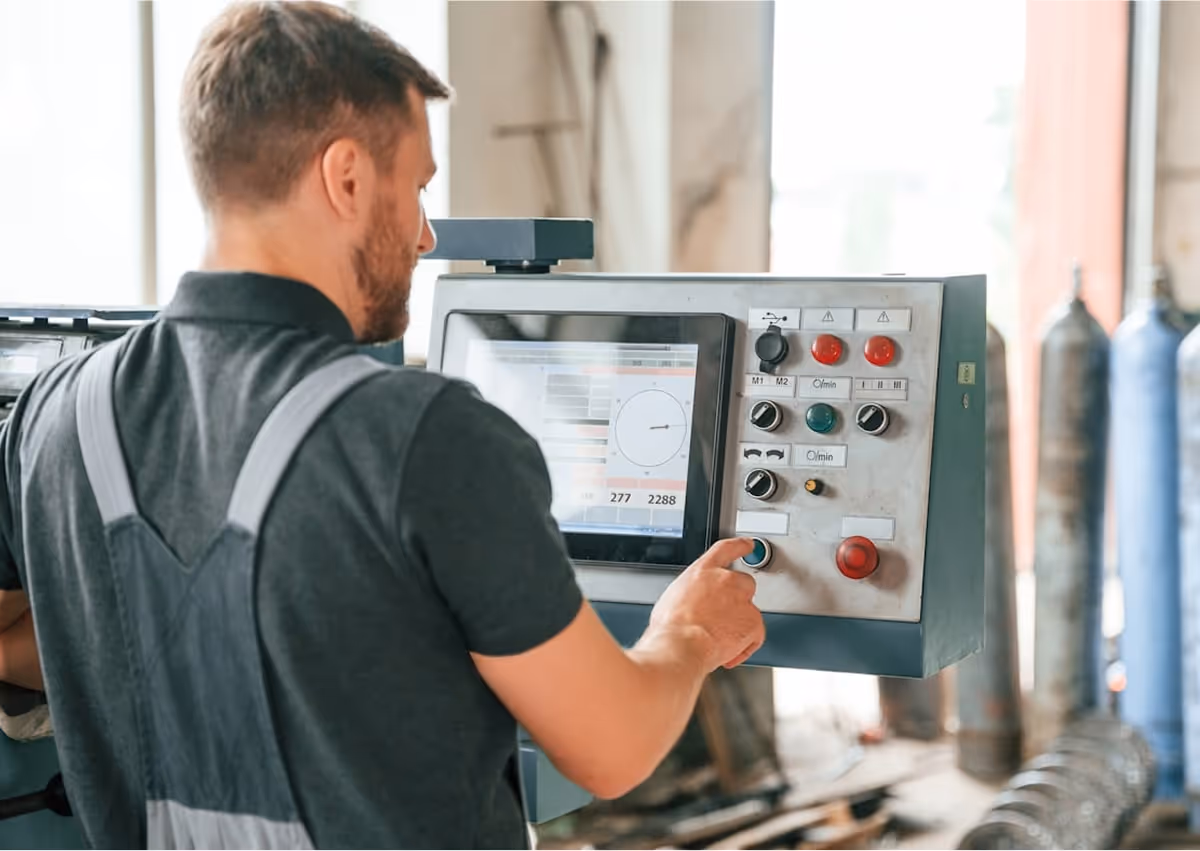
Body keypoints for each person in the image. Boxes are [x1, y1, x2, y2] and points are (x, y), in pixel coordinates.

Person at [0, 2, 765, 848]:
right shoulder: (425, 437)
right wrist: (690, 630)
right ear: (349, 178)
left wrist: (109, 635)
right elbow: (611, 747)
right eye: (419, 187)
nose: (426, 232)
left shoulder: (56, 414)